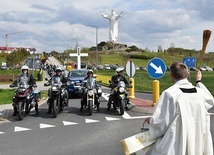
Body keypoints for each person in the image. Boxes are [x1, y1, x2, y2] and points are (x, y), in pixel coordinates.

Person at [144, 62, 214, 155]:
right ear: (187, 74)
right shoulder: (200, 93)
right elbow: (210, 100)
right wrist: (198, 81)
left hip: (176, 145)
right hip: (197, 141)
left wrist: (151, 121)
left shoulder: (169, 94)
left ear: (171, 75)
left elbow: (161, 123)